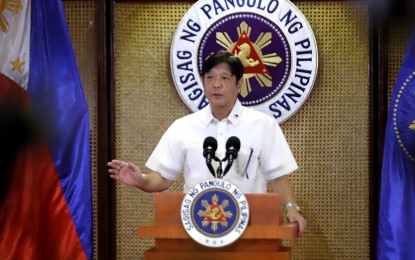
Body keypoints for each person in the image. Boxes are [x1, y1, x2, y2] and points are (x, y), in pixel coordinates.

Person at [108, 50, 306, 236]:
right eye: (210, 77)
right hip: (197, 229)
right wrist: (140, 180)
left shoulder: (263, 125)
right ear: (203, 82)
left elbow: (278, 177)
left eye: (224, 78)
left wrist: (291, 208)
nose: (216, 84)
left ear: (239, 84)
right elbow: (163, 178)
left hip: (250, 229)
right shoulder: (183, 127)